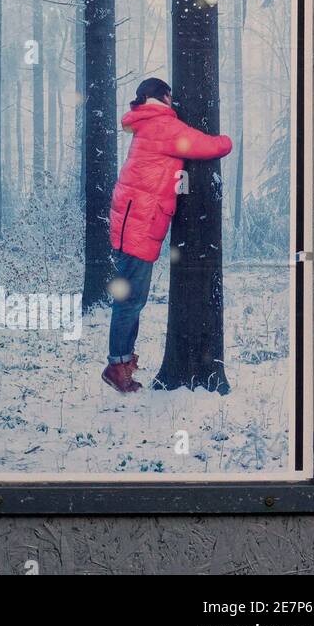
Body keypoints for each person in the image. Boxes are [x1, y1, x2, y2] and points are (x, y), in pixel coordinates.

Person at [103, 77, 232, 394]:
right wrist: (230, 139)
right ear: (162, 97)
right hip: (139, 222)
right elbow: (210, 146)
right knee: (130, 301)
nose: (175, 101)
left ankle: (122, 363)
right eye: (171, 96)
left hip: (133, 218)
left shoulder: (148, 123)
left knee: (132, 299)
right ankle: (117, 366)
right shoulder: (163, 126)